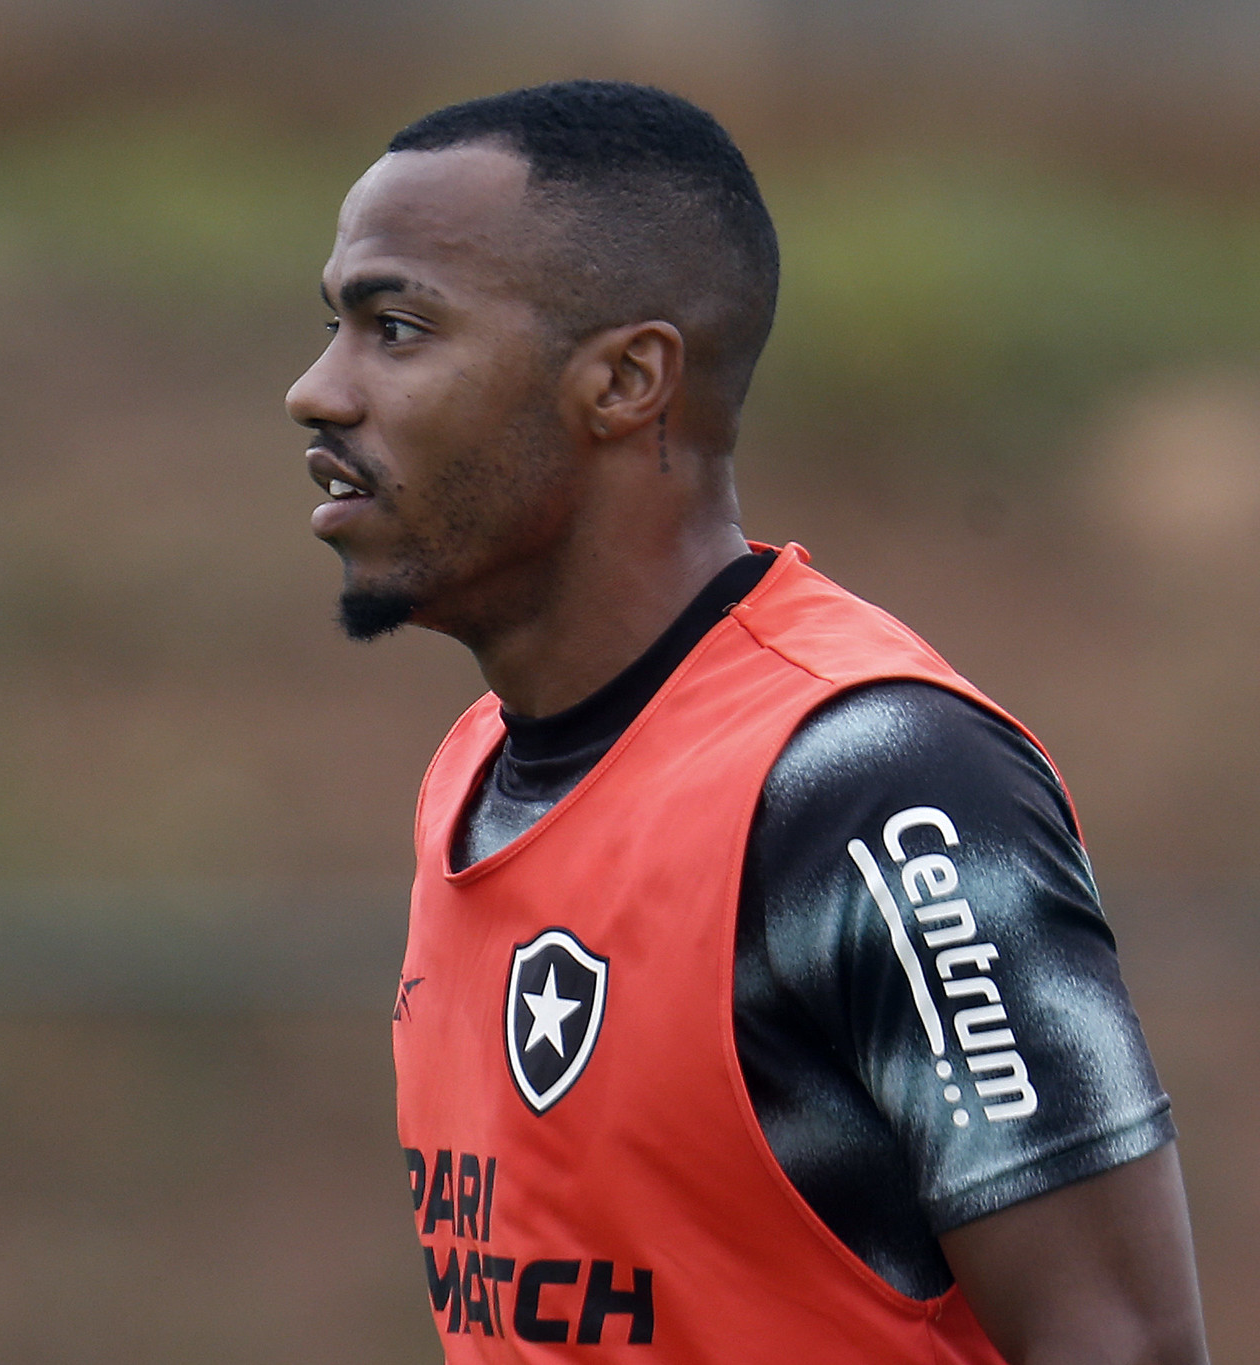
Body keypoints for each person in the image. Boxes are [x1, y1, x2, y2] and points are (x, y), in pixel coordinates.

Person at [285, 81, 1209, 1364]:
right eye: (333, 327)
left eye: (392, 328)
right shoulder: (475, 771)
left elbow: (1122, 1346)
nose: (315, 393)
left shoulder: (869, 785)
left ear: (622, 381)